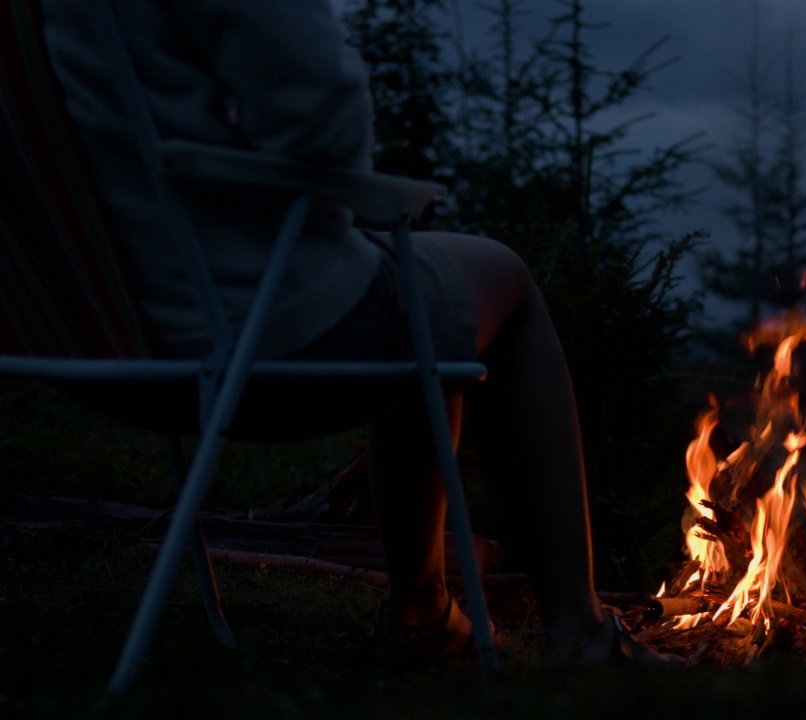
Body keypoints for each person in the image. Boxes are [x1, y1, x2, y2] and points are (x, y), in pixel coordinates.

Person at [38, 0, 678, 665]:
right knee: (500, 282)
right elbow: (324, 119)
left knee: (426, 299)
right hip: (244, 322)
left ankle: (427, 607)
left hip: (76, 335)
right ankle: (573, 625)